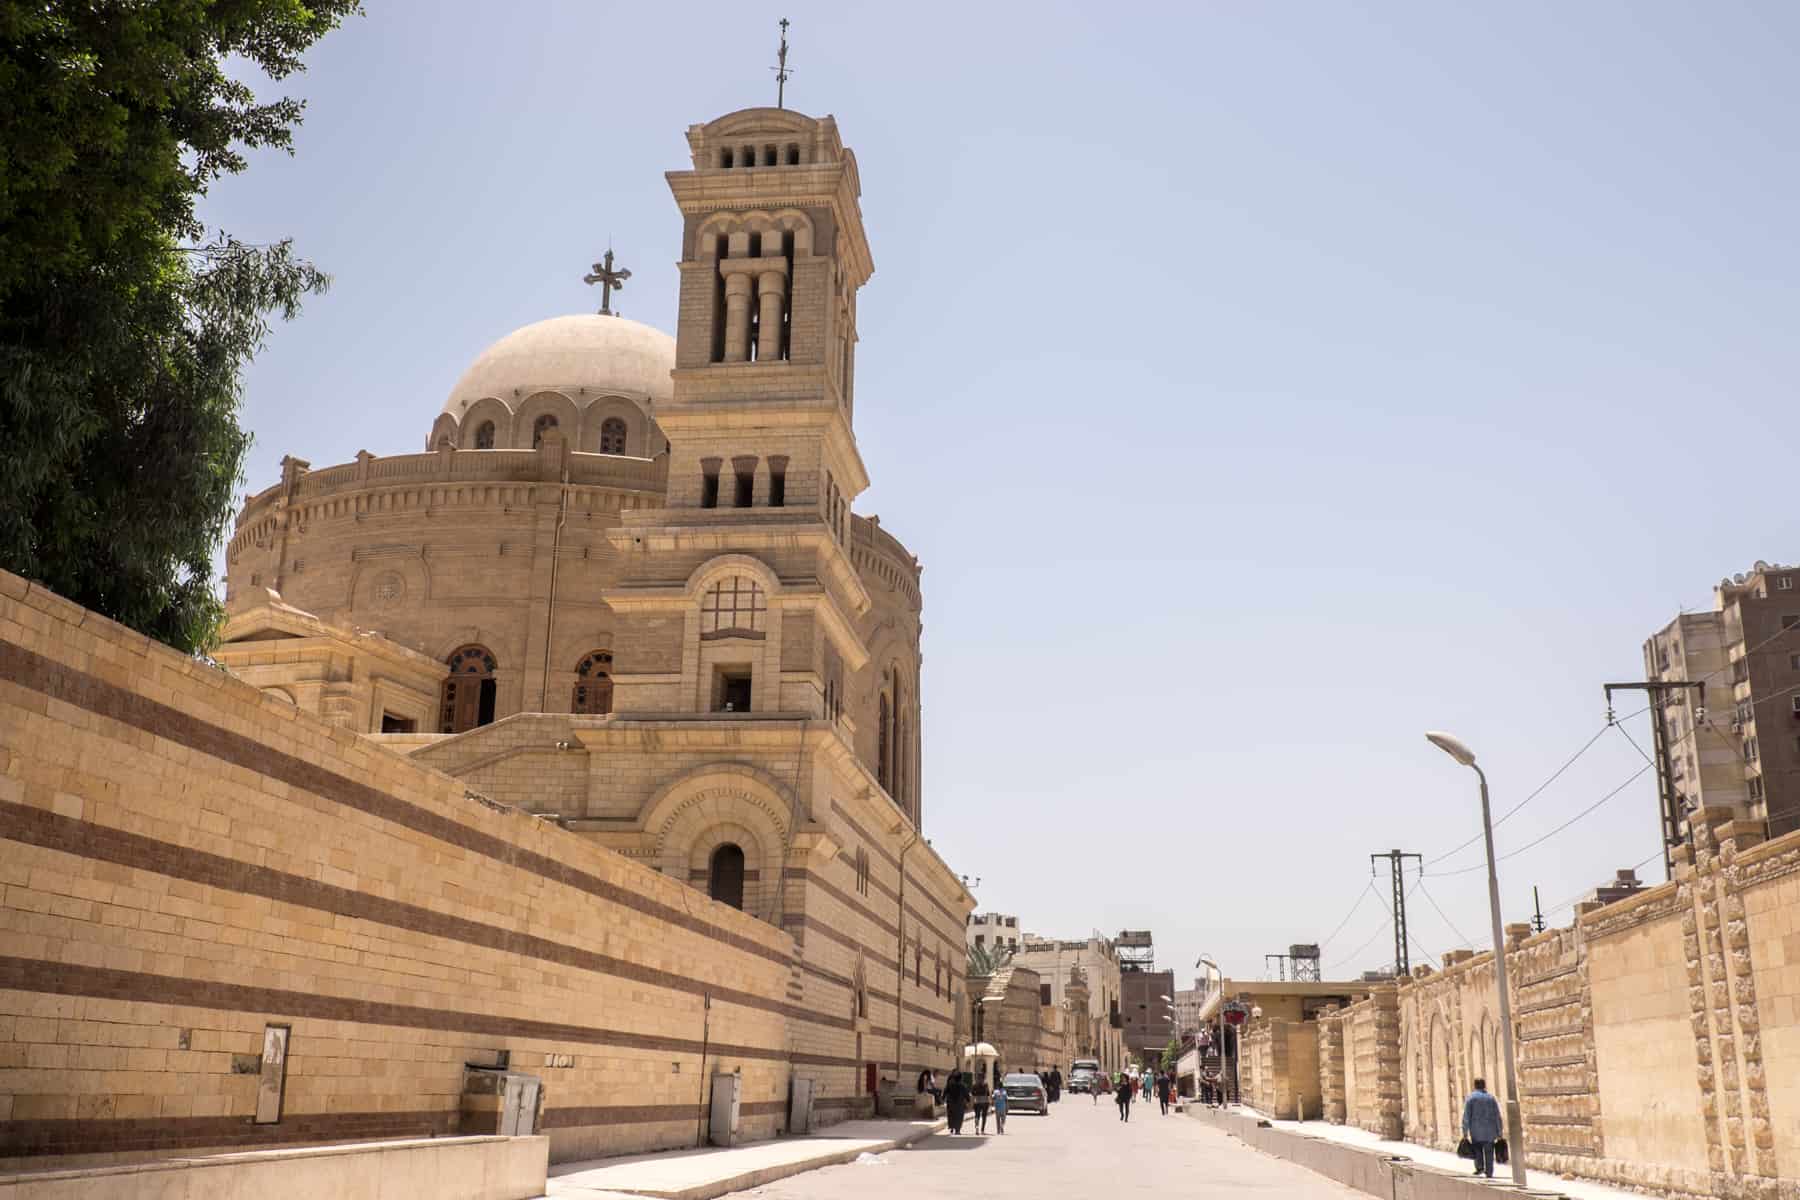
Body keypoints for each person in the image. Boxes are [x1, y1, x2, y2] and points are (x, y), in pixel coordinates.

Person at [1462, 1078, 1503, 1179]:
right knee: (1489, 1151)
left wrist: (1465, 1131)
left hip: (1476, 1131)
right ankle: (1489, 1172)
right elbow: (1497, 1116)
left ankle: (1479, 1167)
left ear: (1475, 1086)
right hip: (1490, 1131)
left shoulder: (1471, 1098)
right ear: (1484, 1085)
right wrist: (1499, 1131)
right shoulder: (1491, 1098)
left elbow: (1466, 1116)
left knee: (1477, 1149)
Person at [945, 1070, 969, 1135]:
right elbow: (966, 1094)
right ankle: (957, 1130)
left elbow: (945, 1091)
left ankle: (952, 1127)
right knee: (959, 1116)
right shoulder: (963, 1085)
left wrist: (943, 1098)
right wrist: (968, 1100)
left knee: (951, 1115)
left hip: (951, 1103)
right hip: (960, 1103)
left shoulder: (949, 1084)